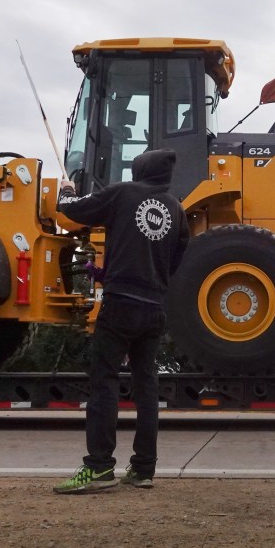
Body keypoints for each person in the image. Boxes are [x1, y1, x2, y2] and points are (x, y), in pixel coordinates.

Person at [53, 149, 189, 494]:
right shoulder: (176, 209)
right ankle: (143, 469)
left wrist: (66, 191)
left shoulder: (123, 193)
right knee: (146, 386)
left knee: (105, 381)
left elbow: (72, 211)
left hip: (121, 302)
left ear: (140, 169)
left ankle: (99, 467)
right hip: (154, 305)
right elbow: (176, 260)